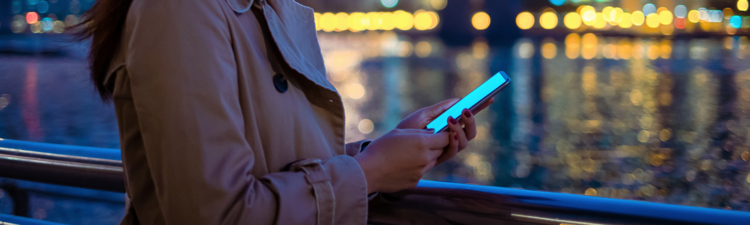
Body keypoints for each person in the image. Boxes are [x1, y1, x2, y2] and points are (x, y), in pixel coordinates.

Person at [75, 0, 491, 224]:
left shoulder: (259, 11)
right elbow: (215, 215)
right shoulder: (182, 10)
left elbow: (272, 163)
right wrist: (369, 172)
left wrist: (382, 154)